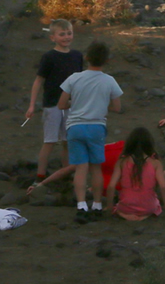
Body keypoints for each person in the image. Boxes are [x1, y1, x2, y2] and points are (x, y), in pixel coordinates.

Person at [58, 41, 123, 224]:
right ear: (107, 60)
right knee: (96, 167)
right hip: (96, 127)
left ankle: (81, 205)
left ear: (86, 57)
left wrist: (75, 104)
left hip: (75, 127)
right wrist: (101, 104)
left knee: (80, 167)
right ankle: (96, 204)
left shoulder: (74, 78)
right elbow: (117, 107)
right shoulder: (109, 81)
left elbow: (61, 104)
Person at [25, 19, 83, 184]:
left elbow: (79, 81)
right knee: (49, 141)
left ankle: (66, 172)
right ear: (53, 37)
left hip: (71, 105)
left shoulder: (77, 56)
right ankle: (40, 175)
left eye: (69, 33)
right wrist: (32, 105)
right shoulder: (49, 57)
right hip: (52, 104)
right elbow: (38, 81)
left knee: (67, 141)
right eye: (62, 34)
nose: (66, 37)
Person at [107, 127, 165, 221]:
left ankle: (126, 214)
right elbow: (163, 186)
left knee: (119, 206)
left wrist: (109, 207)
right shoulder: (155, 163)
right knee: (155, 204)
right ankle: (142, 215)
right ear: (150, 144)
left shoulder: (122, 162)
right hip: (148, 208)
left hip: (126, 207)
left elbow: (111, 186)